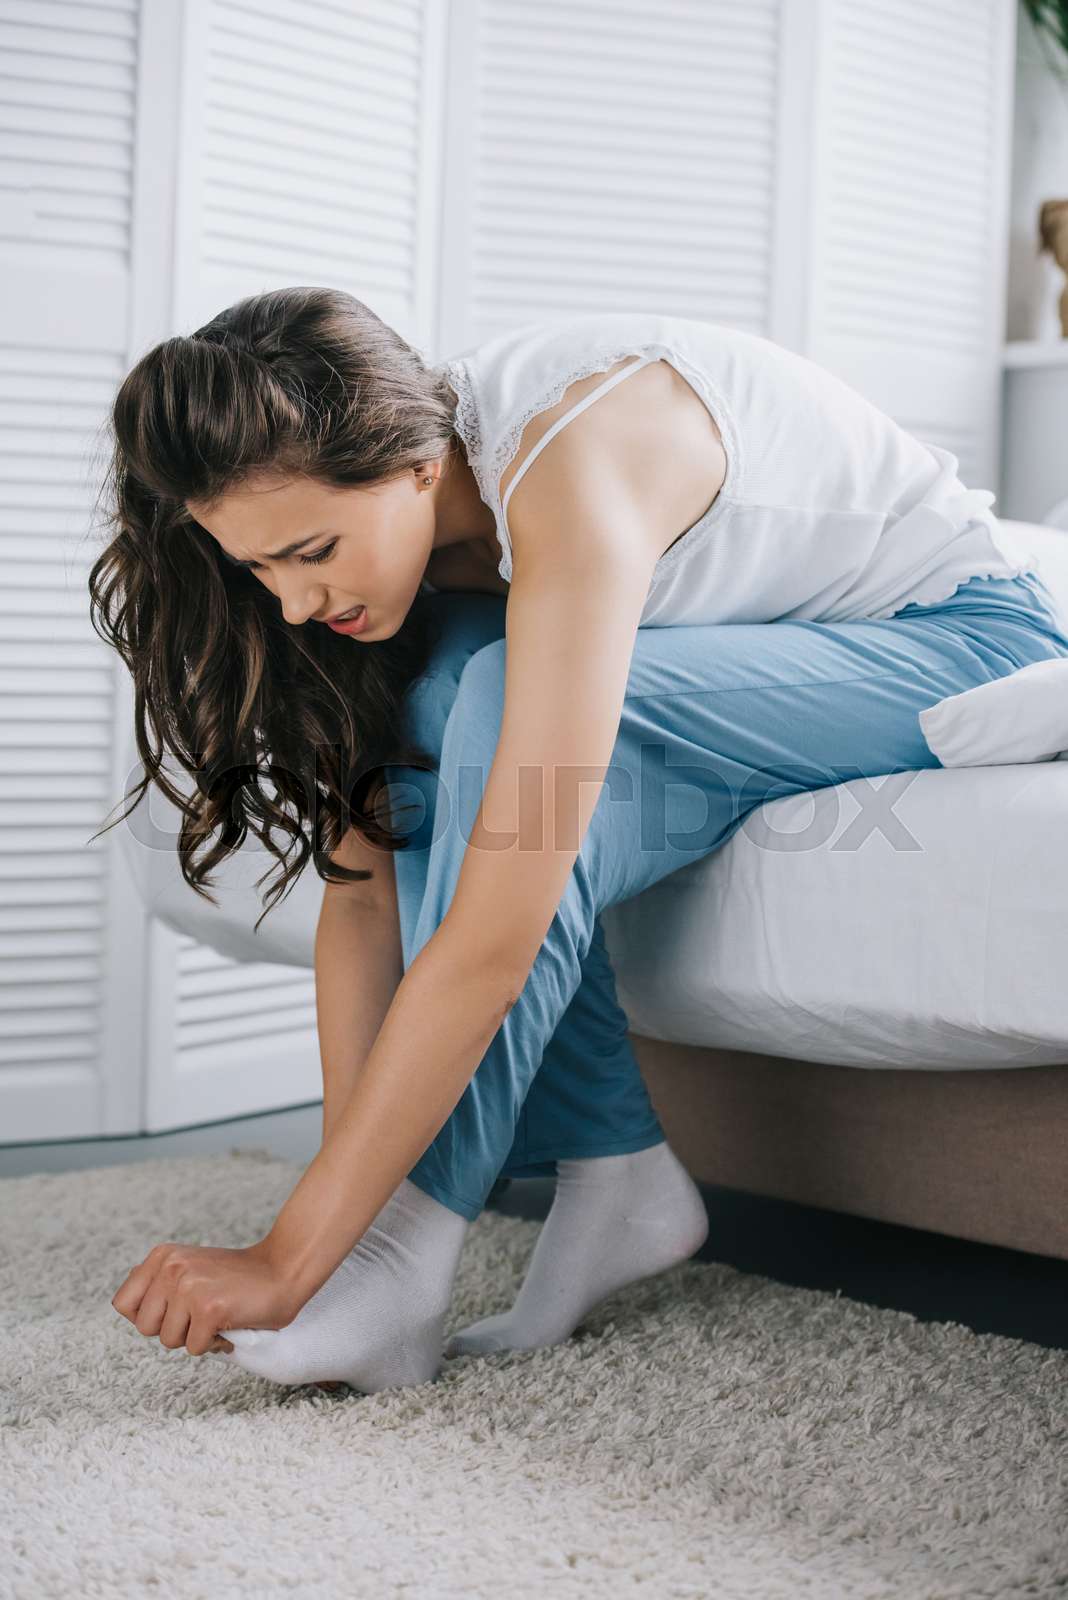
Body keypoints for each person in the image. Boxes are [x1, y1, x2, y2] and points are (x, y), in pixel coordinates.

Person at [100, 288, 1068, 1394]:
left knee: (509, 704)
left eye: (310, 550)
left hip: (961, 638)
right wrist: (329, 1202)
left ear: (416, 464)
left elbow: (494, 935)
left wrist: (302, 1253)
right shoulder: (405, 546)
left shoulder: (572, 464)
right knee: (446, 725)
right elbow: (361, 887)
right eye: (259, 568)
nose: (292, 602)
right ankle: (612, 1164)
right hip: (781, 641)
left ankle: (413, 1252)